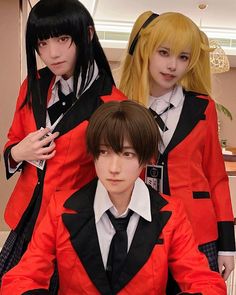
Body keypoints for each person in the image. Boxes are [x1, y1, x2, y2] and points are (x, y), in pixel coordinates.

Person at [1, 100, 227, 295]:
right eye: (104, 152)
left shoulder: (171, 213)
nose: (114, 168)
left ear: (145, 158)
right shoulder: (61, 208)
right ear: (93, 155)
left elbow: (206, 283)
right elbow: (21, 279)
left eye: (127, 154)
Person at [0, 0, 126, 283]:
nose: (52, 53)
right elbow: (13, 140)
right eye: (42, 43)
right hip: (25, 216)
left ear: (88, 36)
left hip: (72, 224)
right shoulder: (33, 83)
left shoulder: (112, 102)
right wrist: (18, 152)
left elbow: (115, 178)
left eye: (63, 39)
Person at [119, 11, 235, 285]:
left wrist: (228, 245)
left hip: (198, 232)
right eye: (164, 52)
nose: (172, 65)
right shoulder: (121, 105)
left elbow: (217, 177)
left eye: (183, 57)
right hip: (136, 226)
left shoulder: (203, 107)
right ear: (147, 50)